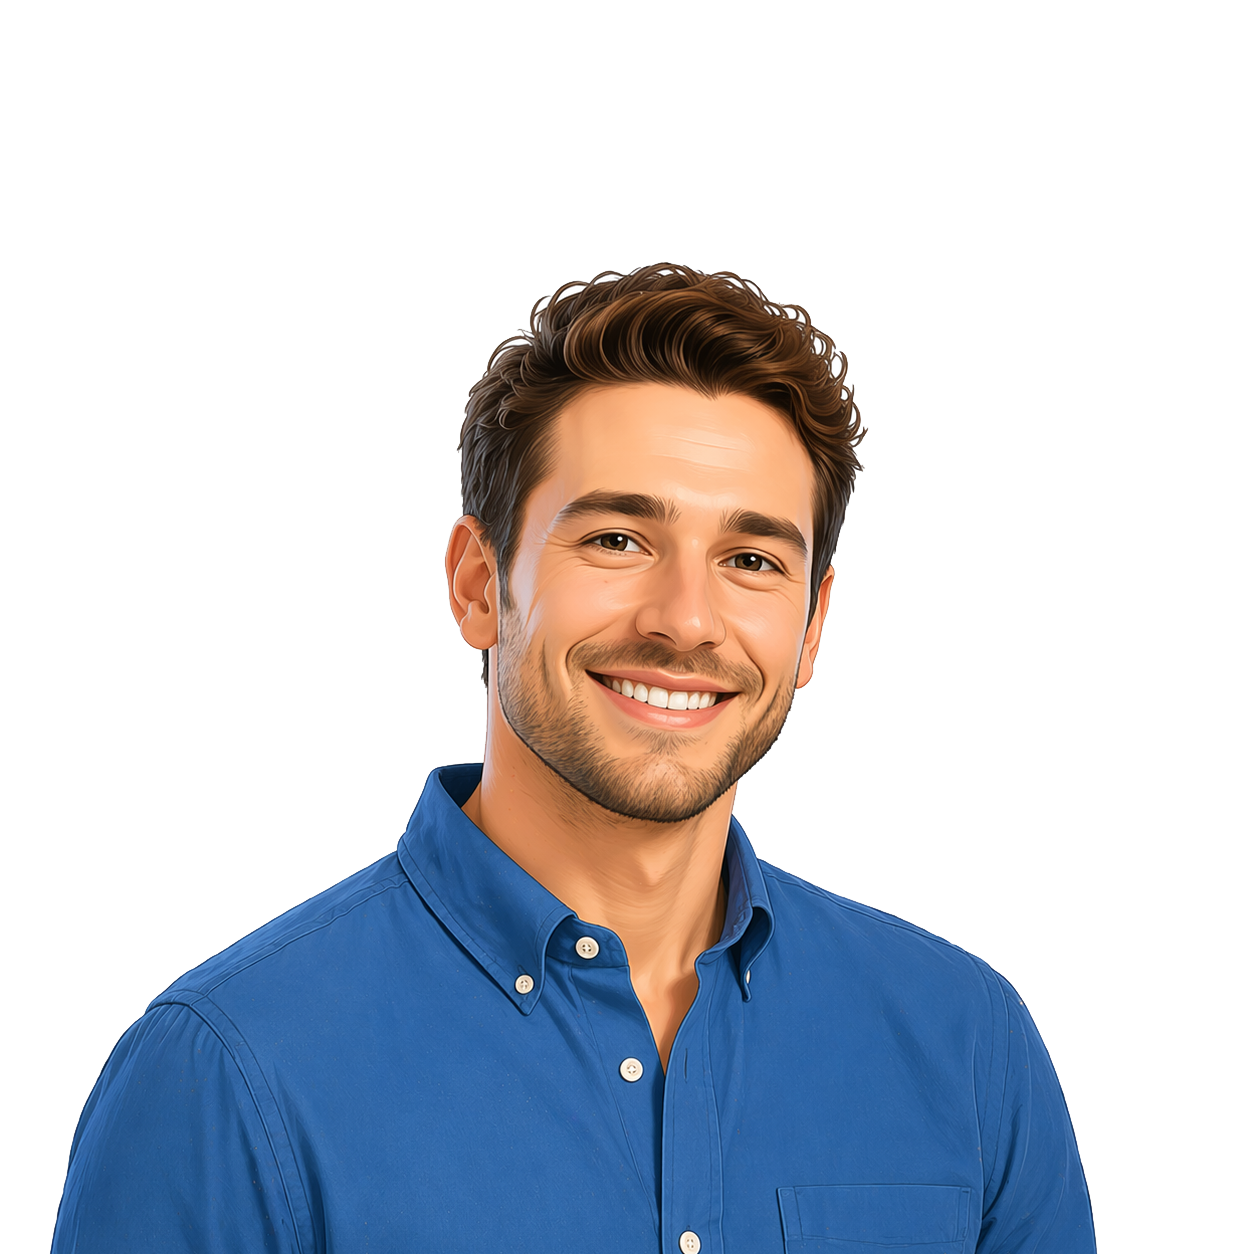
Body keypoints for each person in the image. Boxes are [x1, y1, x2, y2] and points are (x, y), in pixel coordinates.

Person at [52, 264, 1096, 1253]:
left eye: (750, 560)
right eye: (616, 541)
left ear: (813, 625)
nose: (687, 621)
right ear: (478, 585)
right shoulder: (227, 1074)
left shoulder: (968, 1047)